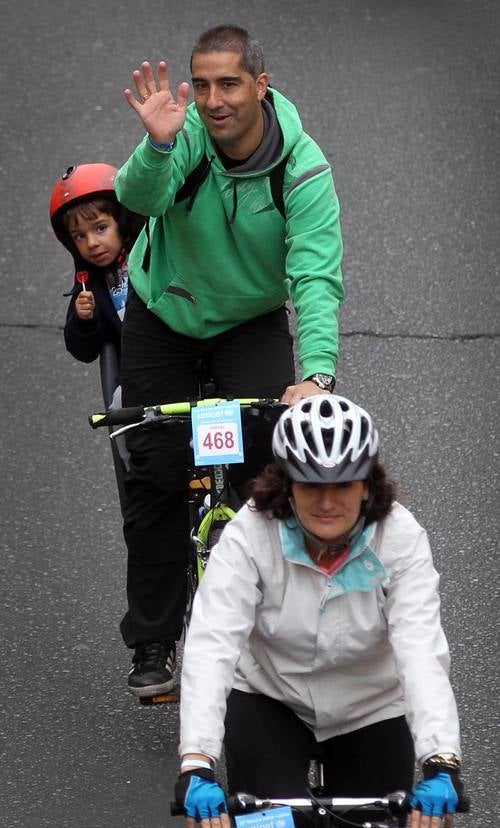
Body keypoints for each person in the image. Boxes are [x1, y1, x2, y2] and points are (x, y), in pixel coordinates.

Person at [113, 24, 344, 698]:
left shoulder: (301, 168)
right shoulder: (183, 138)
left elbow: (317, 277)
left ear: (261, 87)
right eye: (204, 84)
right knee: (154, 474)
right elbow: (137, 200)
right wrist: (158, 144)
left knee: (271, 474)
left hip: (248, 321)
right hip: (166, 313)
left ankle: (280, 629)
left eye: (230, 84)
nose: (214, 100)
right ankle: (155, 639)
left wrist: (318, 375)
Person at [175, 395, 466, 828]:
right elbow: (212, 640)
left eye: (344, 485)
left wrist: (440, 760)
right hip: (271, 698)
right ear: (286, 485)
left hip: (369, 708)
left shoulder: (399, 538)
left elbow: (420, 649)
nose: (327, 502)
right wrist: (196, 761)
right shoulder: (250, 534)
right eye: (311, 485)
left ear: (367, 485)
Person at [49, 162, 145, 365]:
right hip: (139, 373)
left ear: (122, 220)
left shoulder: (152, 252)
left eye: (100, 228)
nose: (92, 243)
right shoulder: (88, 286)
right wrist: (85, 321)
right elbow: (84, 352)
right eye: (79, 236)